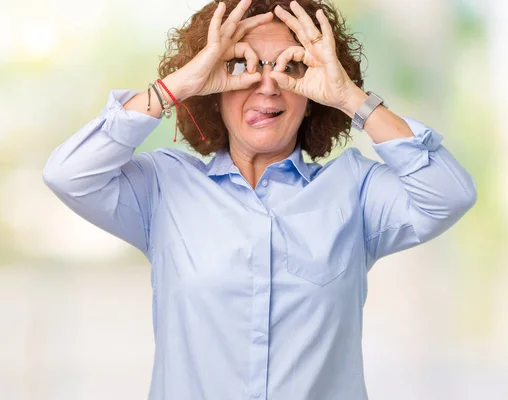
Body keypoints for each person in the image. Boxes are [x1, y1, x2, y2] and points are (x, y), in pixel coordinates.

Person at [42, 0, 477, 398]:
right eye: (240, 64)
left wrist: (351, 98)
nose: (267, 85)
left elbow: (449, 194)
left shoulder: (357, 191)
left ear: (312, 93)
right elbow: (69, 174)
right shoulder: (163, 187)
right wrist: (178, 85)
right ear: (213, 83)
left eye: (292, 67)